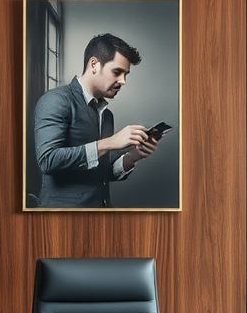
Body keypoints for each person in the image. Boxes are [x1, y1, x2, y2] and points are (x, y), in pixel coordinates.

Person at [32, 33, 158, 208]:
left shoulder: (107, 115)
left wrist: (134, 156)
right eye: (117, 72)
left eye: (126, 74)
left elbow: (101, 175)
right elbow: (48, 160)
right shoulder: (56, 100)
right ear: (94, 65)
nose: (122, 81)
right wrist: (110, 142)